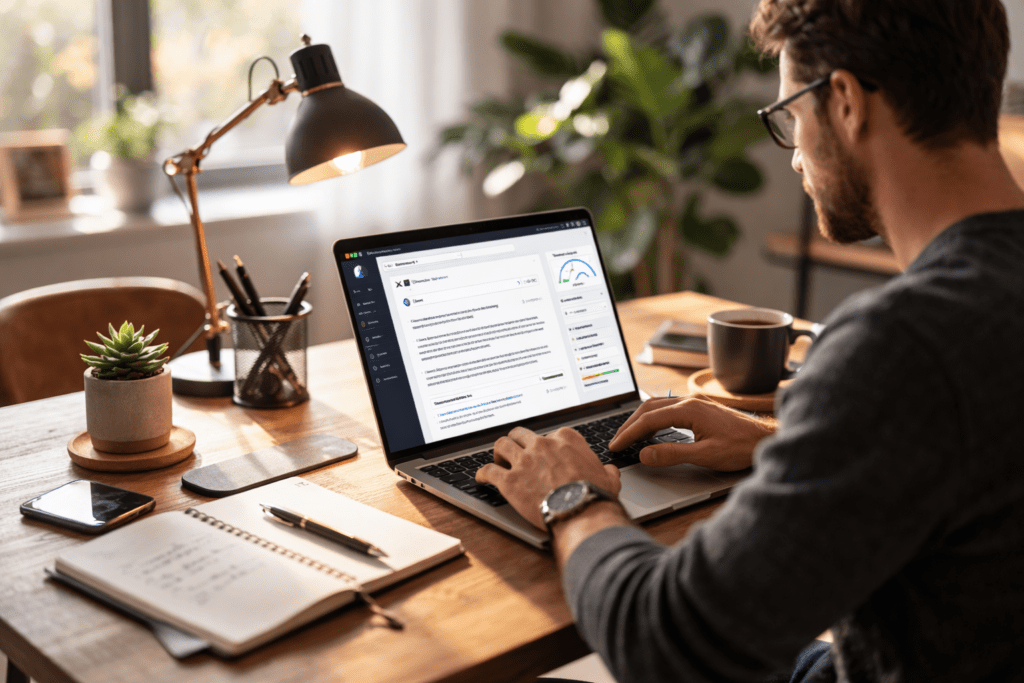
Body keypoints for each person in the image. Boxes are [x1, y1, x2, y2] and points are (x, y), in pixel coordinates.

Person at [476, 0, 1024, 681]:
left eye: (790, 115)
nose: (794, 154)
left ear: (847, 102)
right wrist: (779, 441)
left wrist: (572, 497)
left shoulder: (903, 343)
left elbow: (668, 644)